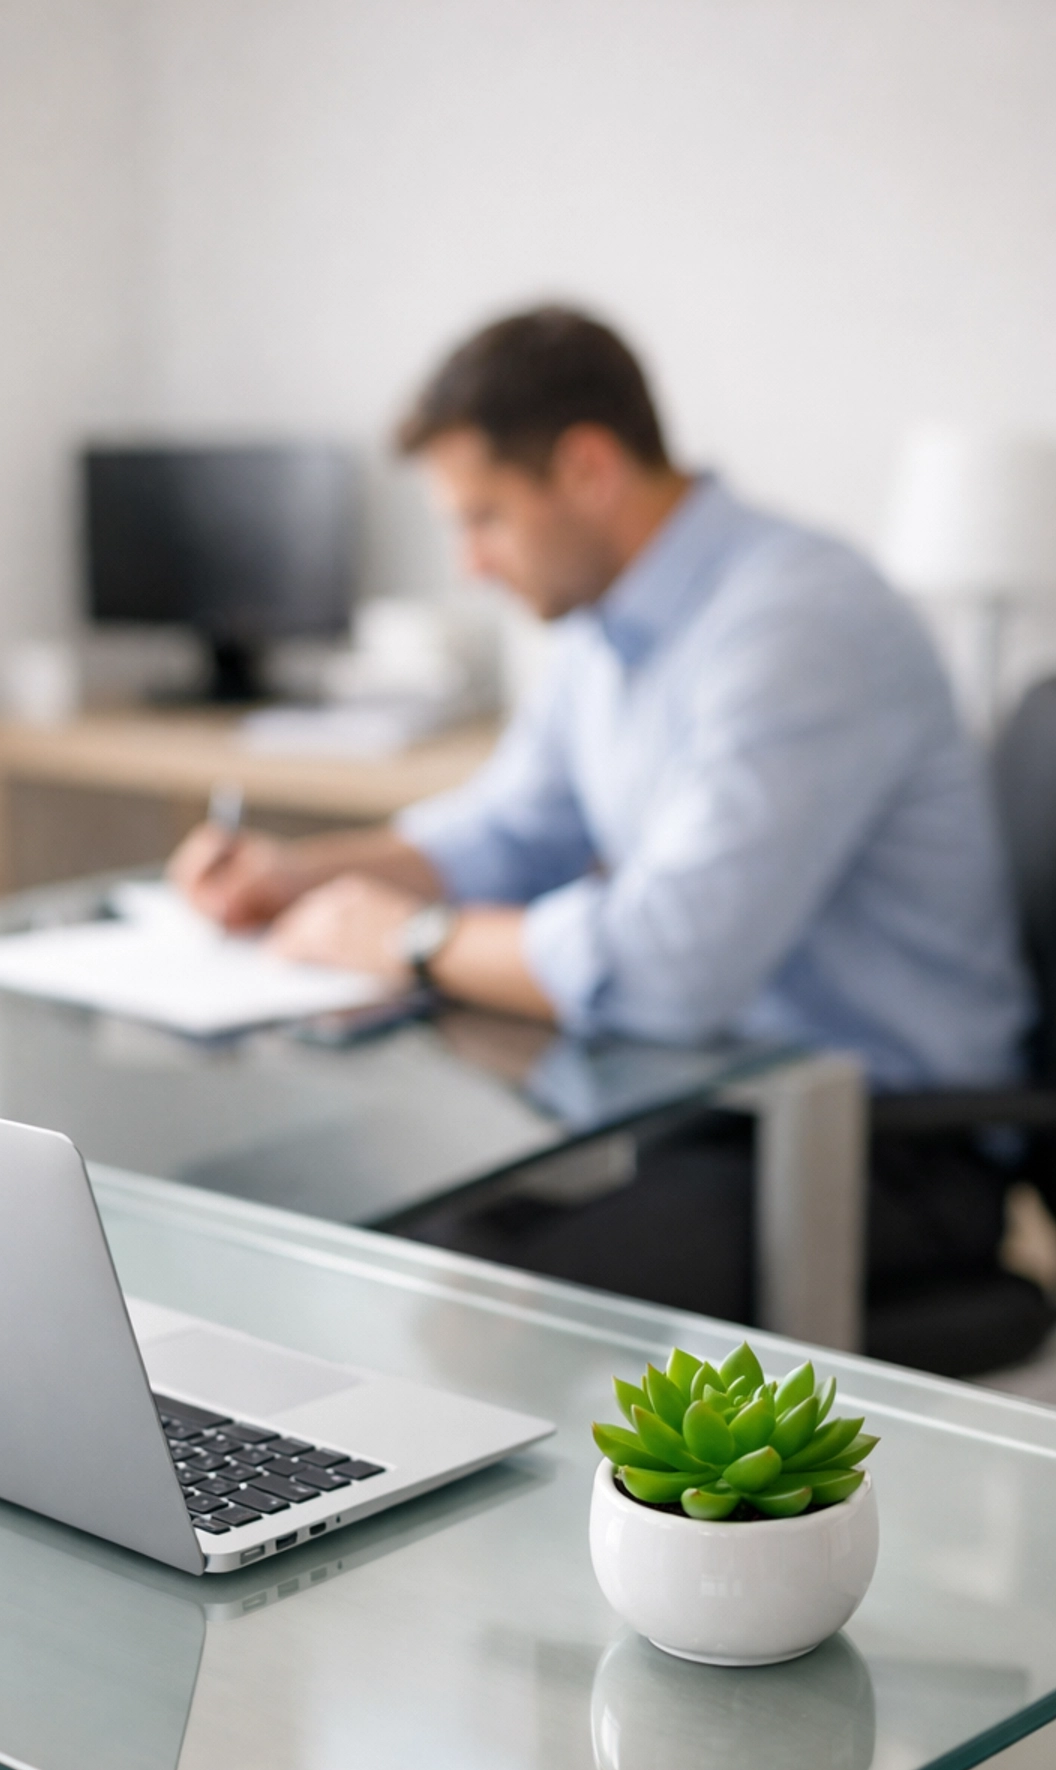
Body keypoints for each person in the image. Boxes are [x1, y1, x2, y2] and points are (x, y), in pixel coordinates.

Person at [168, 306, 1042, 1368]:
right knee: (406, 1240)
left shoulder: (798, 622)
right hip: (702, 1105)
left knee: (481, 1330)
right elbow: (509, 828)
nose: (470, 564)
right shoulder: (604, 628)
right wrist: (300, 877)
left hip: (884, 1145)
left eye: (484, 517)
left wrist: (408, 939)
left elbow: (672, 963)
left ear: (587, 468)